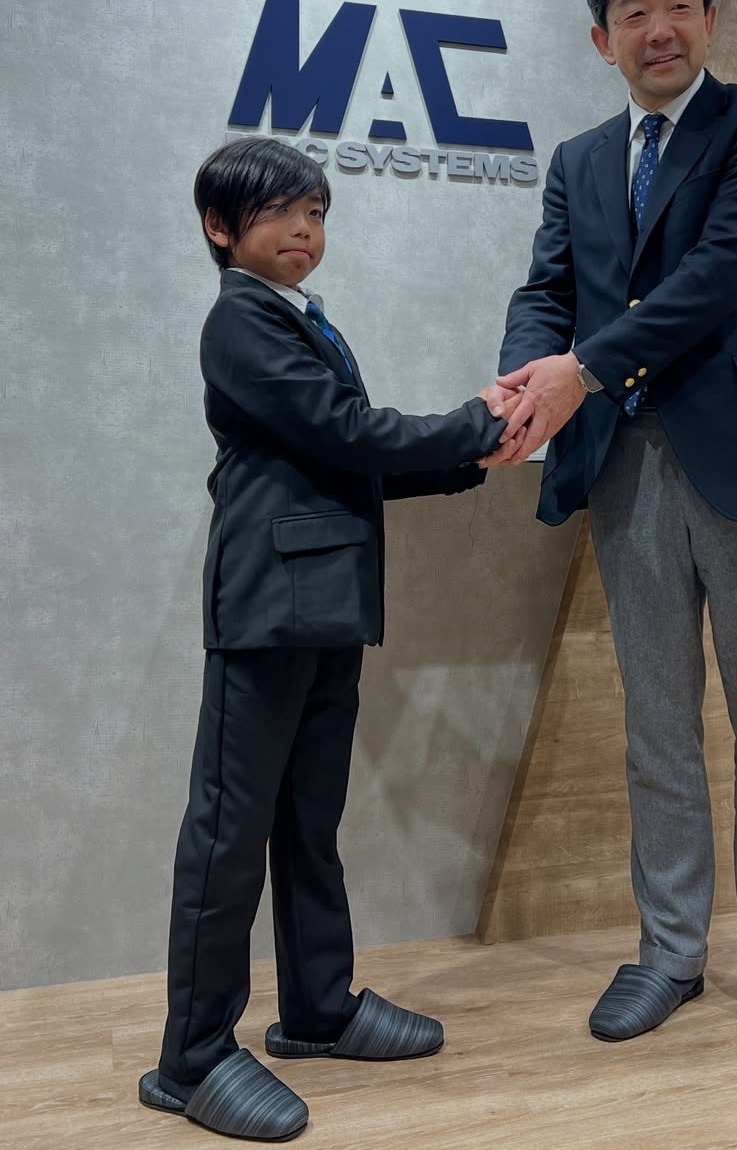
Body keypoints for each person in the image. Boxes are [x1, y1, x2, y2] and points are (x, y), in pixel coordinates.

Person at [486, 0, 737, 1062]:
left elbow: (715, 276)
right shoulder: (579, 160)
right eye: (635, 12)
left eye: (679, 5)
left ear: (709, 18)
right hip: (628, 467)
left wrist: (581, 369)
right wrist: (524, 383)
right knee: (657, 724)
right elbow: (548, 289)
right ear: (602, 38)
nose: (660, 27)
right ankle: (670, 950)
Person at [138, 137, 519, 1141]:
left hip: (326, 604)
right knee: (228, 833)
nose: (305, 229)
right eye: (281, 211)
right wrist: (472, 426)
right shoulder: (240, 320)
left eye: (316, 212)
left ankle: (318, 1007)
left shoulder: (298, 317)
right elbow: (345, 433)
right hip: (268, 609)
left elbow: (342, 454)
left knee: (308, 818)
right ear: (221, 227)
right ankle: (191, 1058)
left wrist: (471, 456)